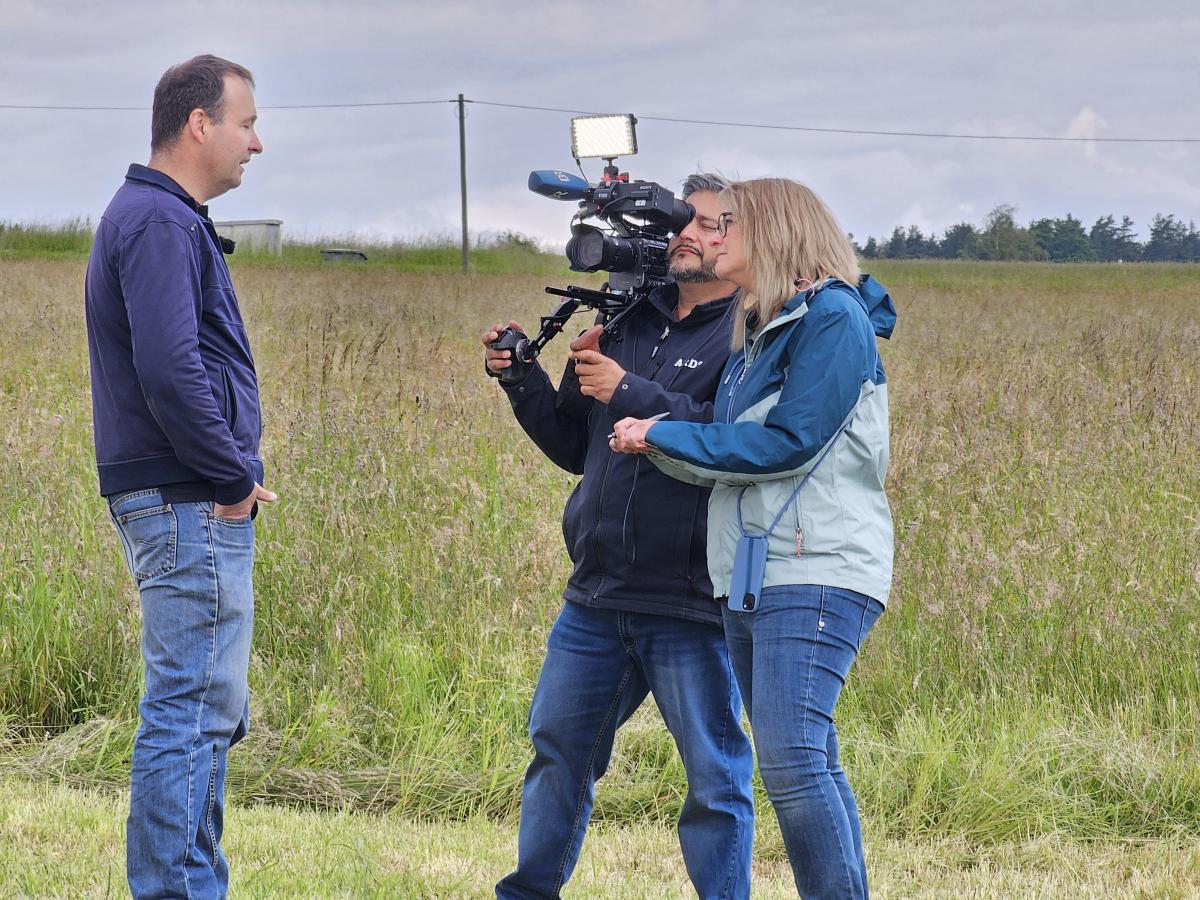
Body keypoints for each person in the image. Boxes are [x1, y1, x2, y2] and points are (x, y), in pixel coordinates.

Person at [610, 177, 896, 899]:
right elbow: (732, 450)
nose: (711, 235)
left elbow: (789, 444)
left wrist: (662, 431)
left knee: (794, 759)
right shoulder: (756, 328)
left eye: (729, 223)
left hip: (817, 568)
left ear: (774, 231)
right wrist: (655, 442)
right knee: (809, 758)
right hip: (749, 574)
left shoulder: (833, 317)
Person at [485, 174, 755, 900]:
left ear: (746, 241)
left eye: (713, 226)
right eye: (685, 223)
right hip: (597, 595)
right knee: (557, 753)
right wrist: (523, 381)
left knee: (714, 778)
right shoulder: (630, 317)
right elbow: (581, 446)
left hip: (691, 598)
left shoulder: (749, 332)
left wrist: (627, 390)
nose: (692, 236)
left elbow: (733, 440)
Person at [84, 54, 275, 898]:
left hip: (180, 494)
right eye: (246, 123)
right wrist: (231, 475)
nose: (256, 144)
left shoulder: (163, 218)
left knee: (201, 714)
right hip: (187, 498)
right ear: (199, 124)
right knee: (191, 712)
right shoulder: (160, 223)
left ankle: (191, 882)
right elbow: (170, 370)